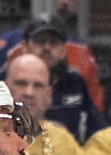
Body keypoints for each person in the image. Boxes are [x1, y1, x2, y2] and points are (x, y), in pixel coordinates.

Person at [20, 15, 105, 145]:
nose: (46, 48)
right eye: (39, 41)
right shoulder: (9, 82)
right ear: (25, 47)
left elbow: (97, 130)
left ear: (63, 50)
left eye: (53, 43)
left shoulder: (75, 82)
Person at [4, 52, 83, 155]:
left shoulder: (64, 141)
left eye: (38, 85)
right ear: (5, 89)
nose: (29, 92)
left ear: (48, 95)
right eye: (21, 83)